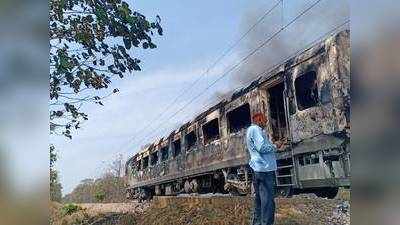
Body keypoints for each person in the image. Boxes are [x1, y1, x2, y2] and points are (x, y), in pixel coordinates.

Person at [246, 113, 277, 225]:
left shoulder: (252, 130)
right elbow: (261, 147)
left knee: (260, 201)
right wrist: (275, 146)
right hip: (264, 170)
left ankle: (257, 223)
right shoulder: (255, 129)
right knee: (268, 202)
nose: (266, 122)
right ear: (259, 120)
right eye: (265, 120)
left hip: (260, 169)